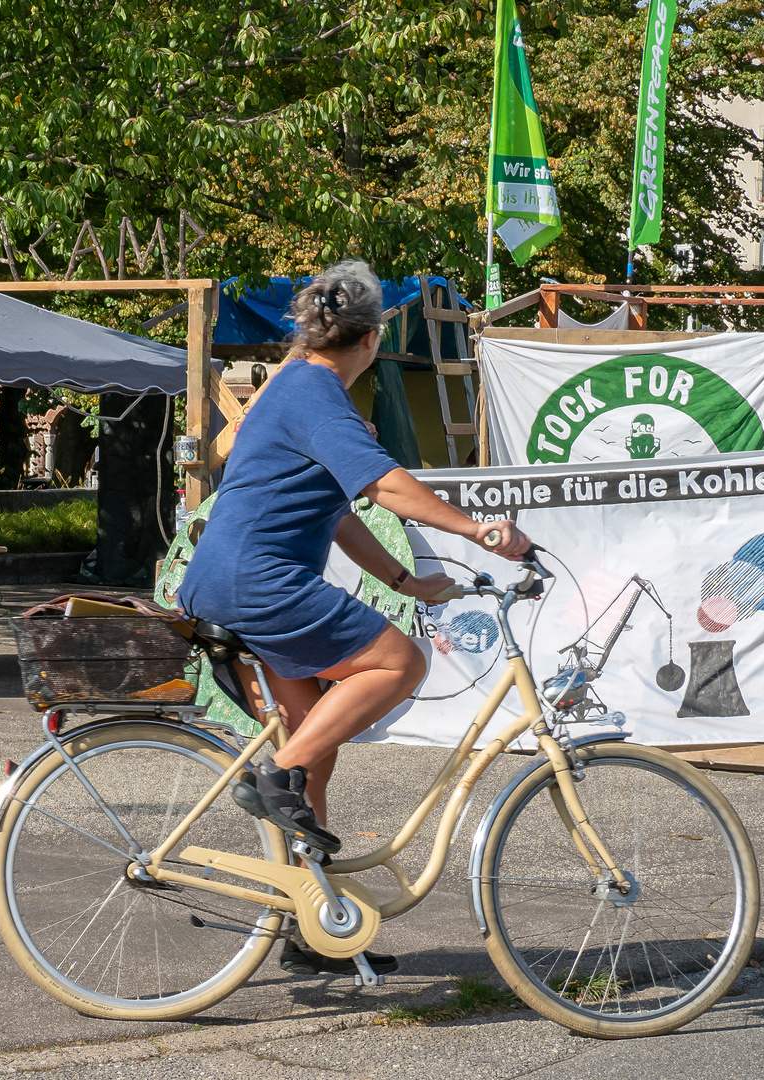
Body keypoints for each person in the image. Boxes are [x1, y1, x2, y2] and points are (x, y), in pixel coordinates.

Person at [175, 260, 531, 975]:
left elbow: (338, 515)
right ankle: (276, 773)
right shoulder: (315, 393)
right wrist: (480, 532)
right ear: (371, 339)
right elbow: (385, 486)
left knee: (319, 753)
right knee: (401, 664)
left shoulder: (289, 387)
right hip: (259, 584)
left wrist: (405, 578)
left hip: (226, 578)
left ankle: (312, 927)